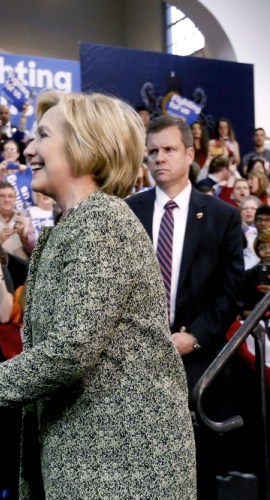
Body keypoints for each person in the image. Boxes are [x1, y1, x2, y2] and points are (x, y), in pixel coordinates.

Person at [0, 92, 196, 498]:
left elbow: (71, 348)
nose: (29, 148)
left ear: (85, 148)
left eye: (43, 135)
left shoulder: (101, 221)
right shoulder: (77, 226)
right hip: (97, 454)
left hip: (120, 465)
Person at [127, 114, 243, 498]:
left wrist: (193, 338)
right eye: (153, 151)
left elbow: (230, 293)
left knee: (196, 470)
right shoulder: (127, 211)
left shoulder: (222, 216)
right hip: (134, 360)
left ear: (190, 154)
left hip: (196, 362)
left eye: (169, 150)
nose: (160, 158)